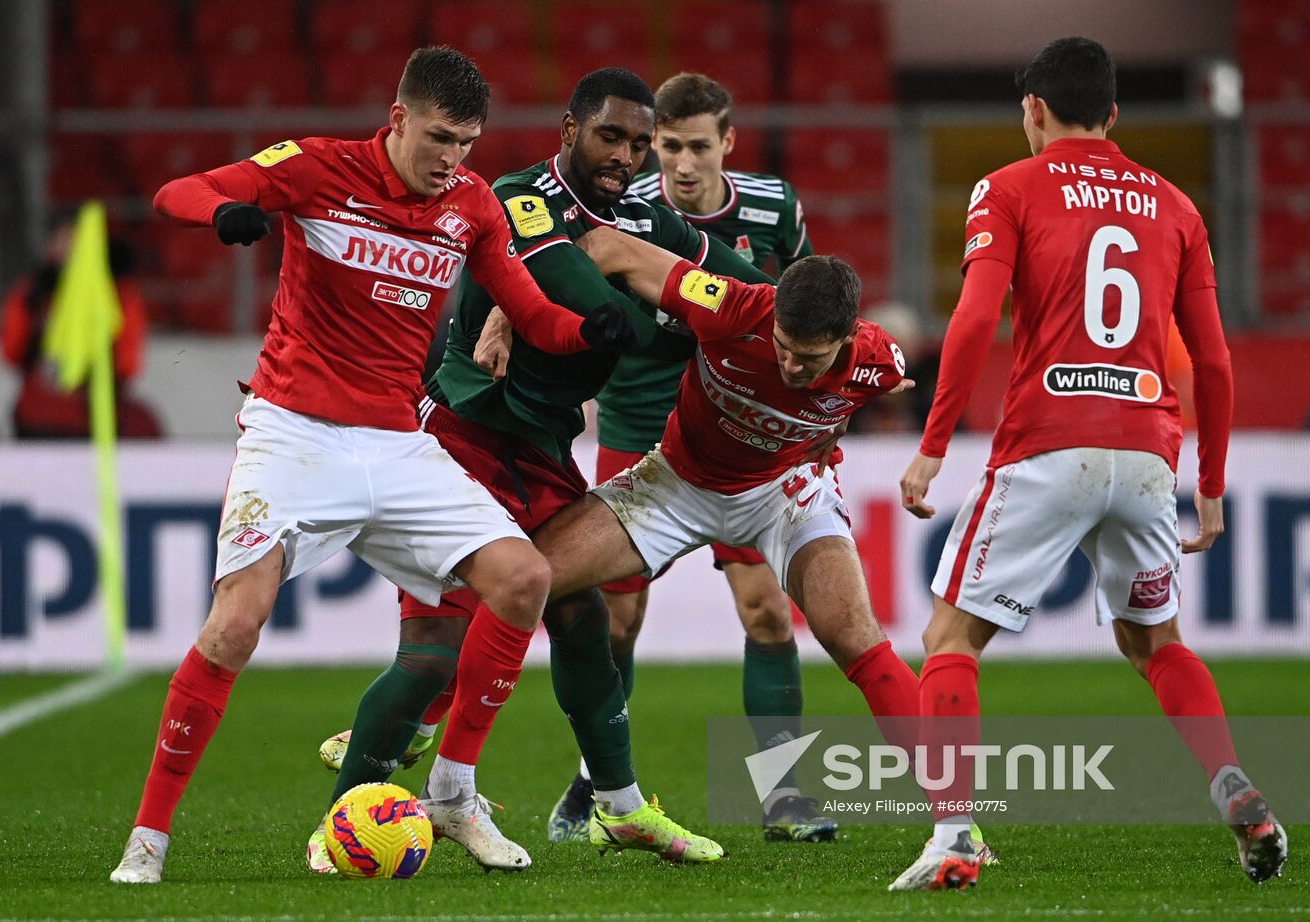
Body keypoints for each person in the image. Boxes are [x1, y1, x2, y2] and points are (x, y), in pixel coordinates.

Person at [109, 46, 633, 885]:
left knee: (526, 578)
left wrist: (583, 333)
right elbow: (182, 191)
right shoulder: (319, 169)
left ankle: (454, 793)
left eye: (465, 142)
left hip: (396, 443)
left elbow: (529, 310)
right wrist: (223, 215)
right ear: (396, 120)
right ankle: (148, 839)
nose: (451, 159)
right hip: (292, 436)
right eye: (437, 138)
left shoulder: (469, 204)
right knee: (235, 626)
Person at [310, 67, 776, 872]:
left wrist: (777, 315)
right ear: (569, 130)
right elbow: (599, 314)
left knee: (584, 621)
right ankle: (341, 827)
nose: (626, 155)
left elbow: (745, 287)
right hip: (465, 440)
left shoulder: (642, 216)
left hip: (544, 452)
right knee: (430, 655)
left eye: (639, 143)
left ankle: (620, 808)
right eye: (611, 136)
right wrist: (669, 301)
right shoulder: (521, 197)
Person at [892, 37, 1286, 890]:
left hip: (1049, 444)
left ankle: (955, 835)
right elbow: (1213, 361)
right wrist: (1210, 486)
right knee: (1156, 644)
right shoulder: (1177, 204)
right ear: (1113, 114)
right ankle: (1233, 786)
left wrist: (930, 445)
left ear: (1032, 109)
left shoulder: (1008, 186)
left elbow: (972, 321)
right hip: (1147, 456)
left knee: (949, 639)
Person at [517, 224, 932, 868]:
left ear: (848, 341)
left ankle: (958, 822)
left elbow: (879, 384)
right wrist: (506, 315)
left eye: (812, 360)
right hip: (676, 484)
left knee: (856, 636)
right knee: (523, 575)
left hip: (782, 494)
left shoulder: (881, 358)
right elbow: (605, 246)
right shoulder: (731, 305)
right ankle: (446, 750)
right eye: (785, 349)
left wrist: (835, 423)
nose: (793, 367)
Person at [541, 71, 836, 845]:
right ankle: (596, 784)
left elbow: (806, 311)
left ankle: (784, 795)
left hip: (742, 440)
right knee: (617, 619)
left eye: (696, 146)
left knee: (768, 609)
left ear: (727, 144)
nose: (678, 162)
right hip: (640, 423)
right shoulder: (626, 210)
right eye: (666, 146)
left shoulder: (775, 208)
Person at [0, 220, 162, 439]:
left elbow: (128, 362)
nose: (70, 251)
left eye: (78, 243)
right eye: (64, 242)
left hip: (93, 417)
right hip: (38, 416)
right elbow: (11, 351)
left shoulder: (119, 294)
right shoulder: (32, 294)